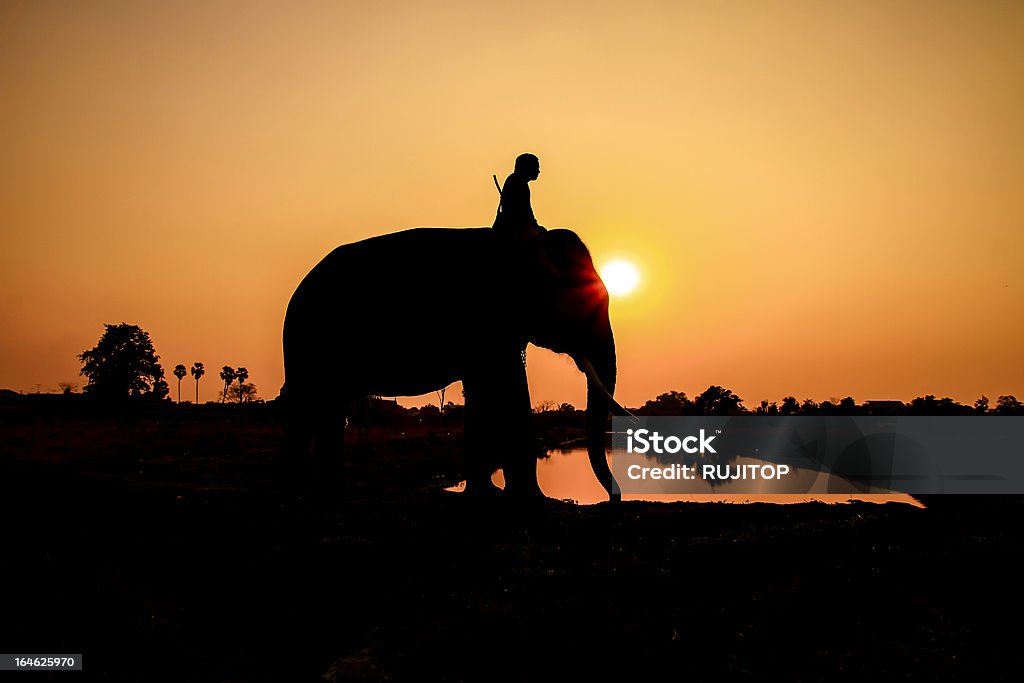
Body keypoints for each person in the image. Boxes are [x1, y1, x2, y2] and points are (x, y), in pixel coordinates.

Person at [493, 153, 544, 241]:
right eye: (536, 167)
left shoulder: (521, 183)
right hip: (514, 230)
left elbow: (527, 210)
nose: (538, 171)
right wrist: (534, 226)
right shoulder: (515, 182)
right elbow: (520, 211)